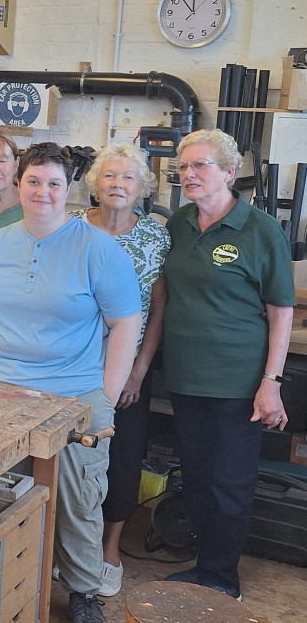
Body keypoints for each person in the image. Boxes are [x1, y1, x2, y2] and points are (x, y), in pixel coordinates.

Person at [0, 142, 142, 623]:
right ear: (19, 184)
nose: (42, 191)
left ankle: (82, 591)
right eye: (33, 181)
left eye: (53, 183)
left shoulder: (98, 248)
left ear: (68, 190)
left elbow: (126, 321)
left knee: (79, 497)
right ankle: (0, 581)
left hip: (73, 392)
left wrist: (105, 392)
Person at [161, 129, 294, 600]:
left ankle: (220, 580)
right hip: (184, 376)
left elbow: (281, 310)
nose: (189, 174)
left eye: (200, 166)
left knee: (229, 484)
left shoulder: (260, 230)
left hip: (236, 382)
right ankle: (205, 567)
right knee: (195, 475)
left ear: (229, 172)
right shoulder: (178, 223)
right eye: (184, 166)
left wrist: (271, 382)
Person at [70, 144, 171, 597]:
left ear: (142, 187)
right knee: (72, 456)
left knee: (122, 458)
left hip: (127, 367)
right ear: (95, 184)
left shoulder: (155, 237)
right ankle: (71, 546)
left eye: (128, 178)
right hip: (71, 365)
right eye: (109, 177)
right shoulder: (70, 229)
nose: (117, 185)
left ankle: (109, 550)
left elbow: (158, 309)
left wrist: (136, 372)